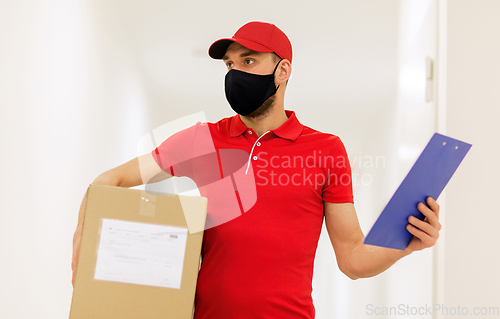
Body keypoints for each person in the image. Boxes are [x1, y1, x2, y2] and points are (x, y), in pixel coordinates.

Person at [72, 21, 441, 319]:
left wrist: (405, 244)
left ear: (283, 71)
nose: (234, 74)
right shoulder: (202, 140)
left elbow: (353, 257)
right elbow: (111, 182)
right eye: (230, 65)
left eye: (248, 62)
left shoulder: (326, 151)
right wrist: (84, 248)